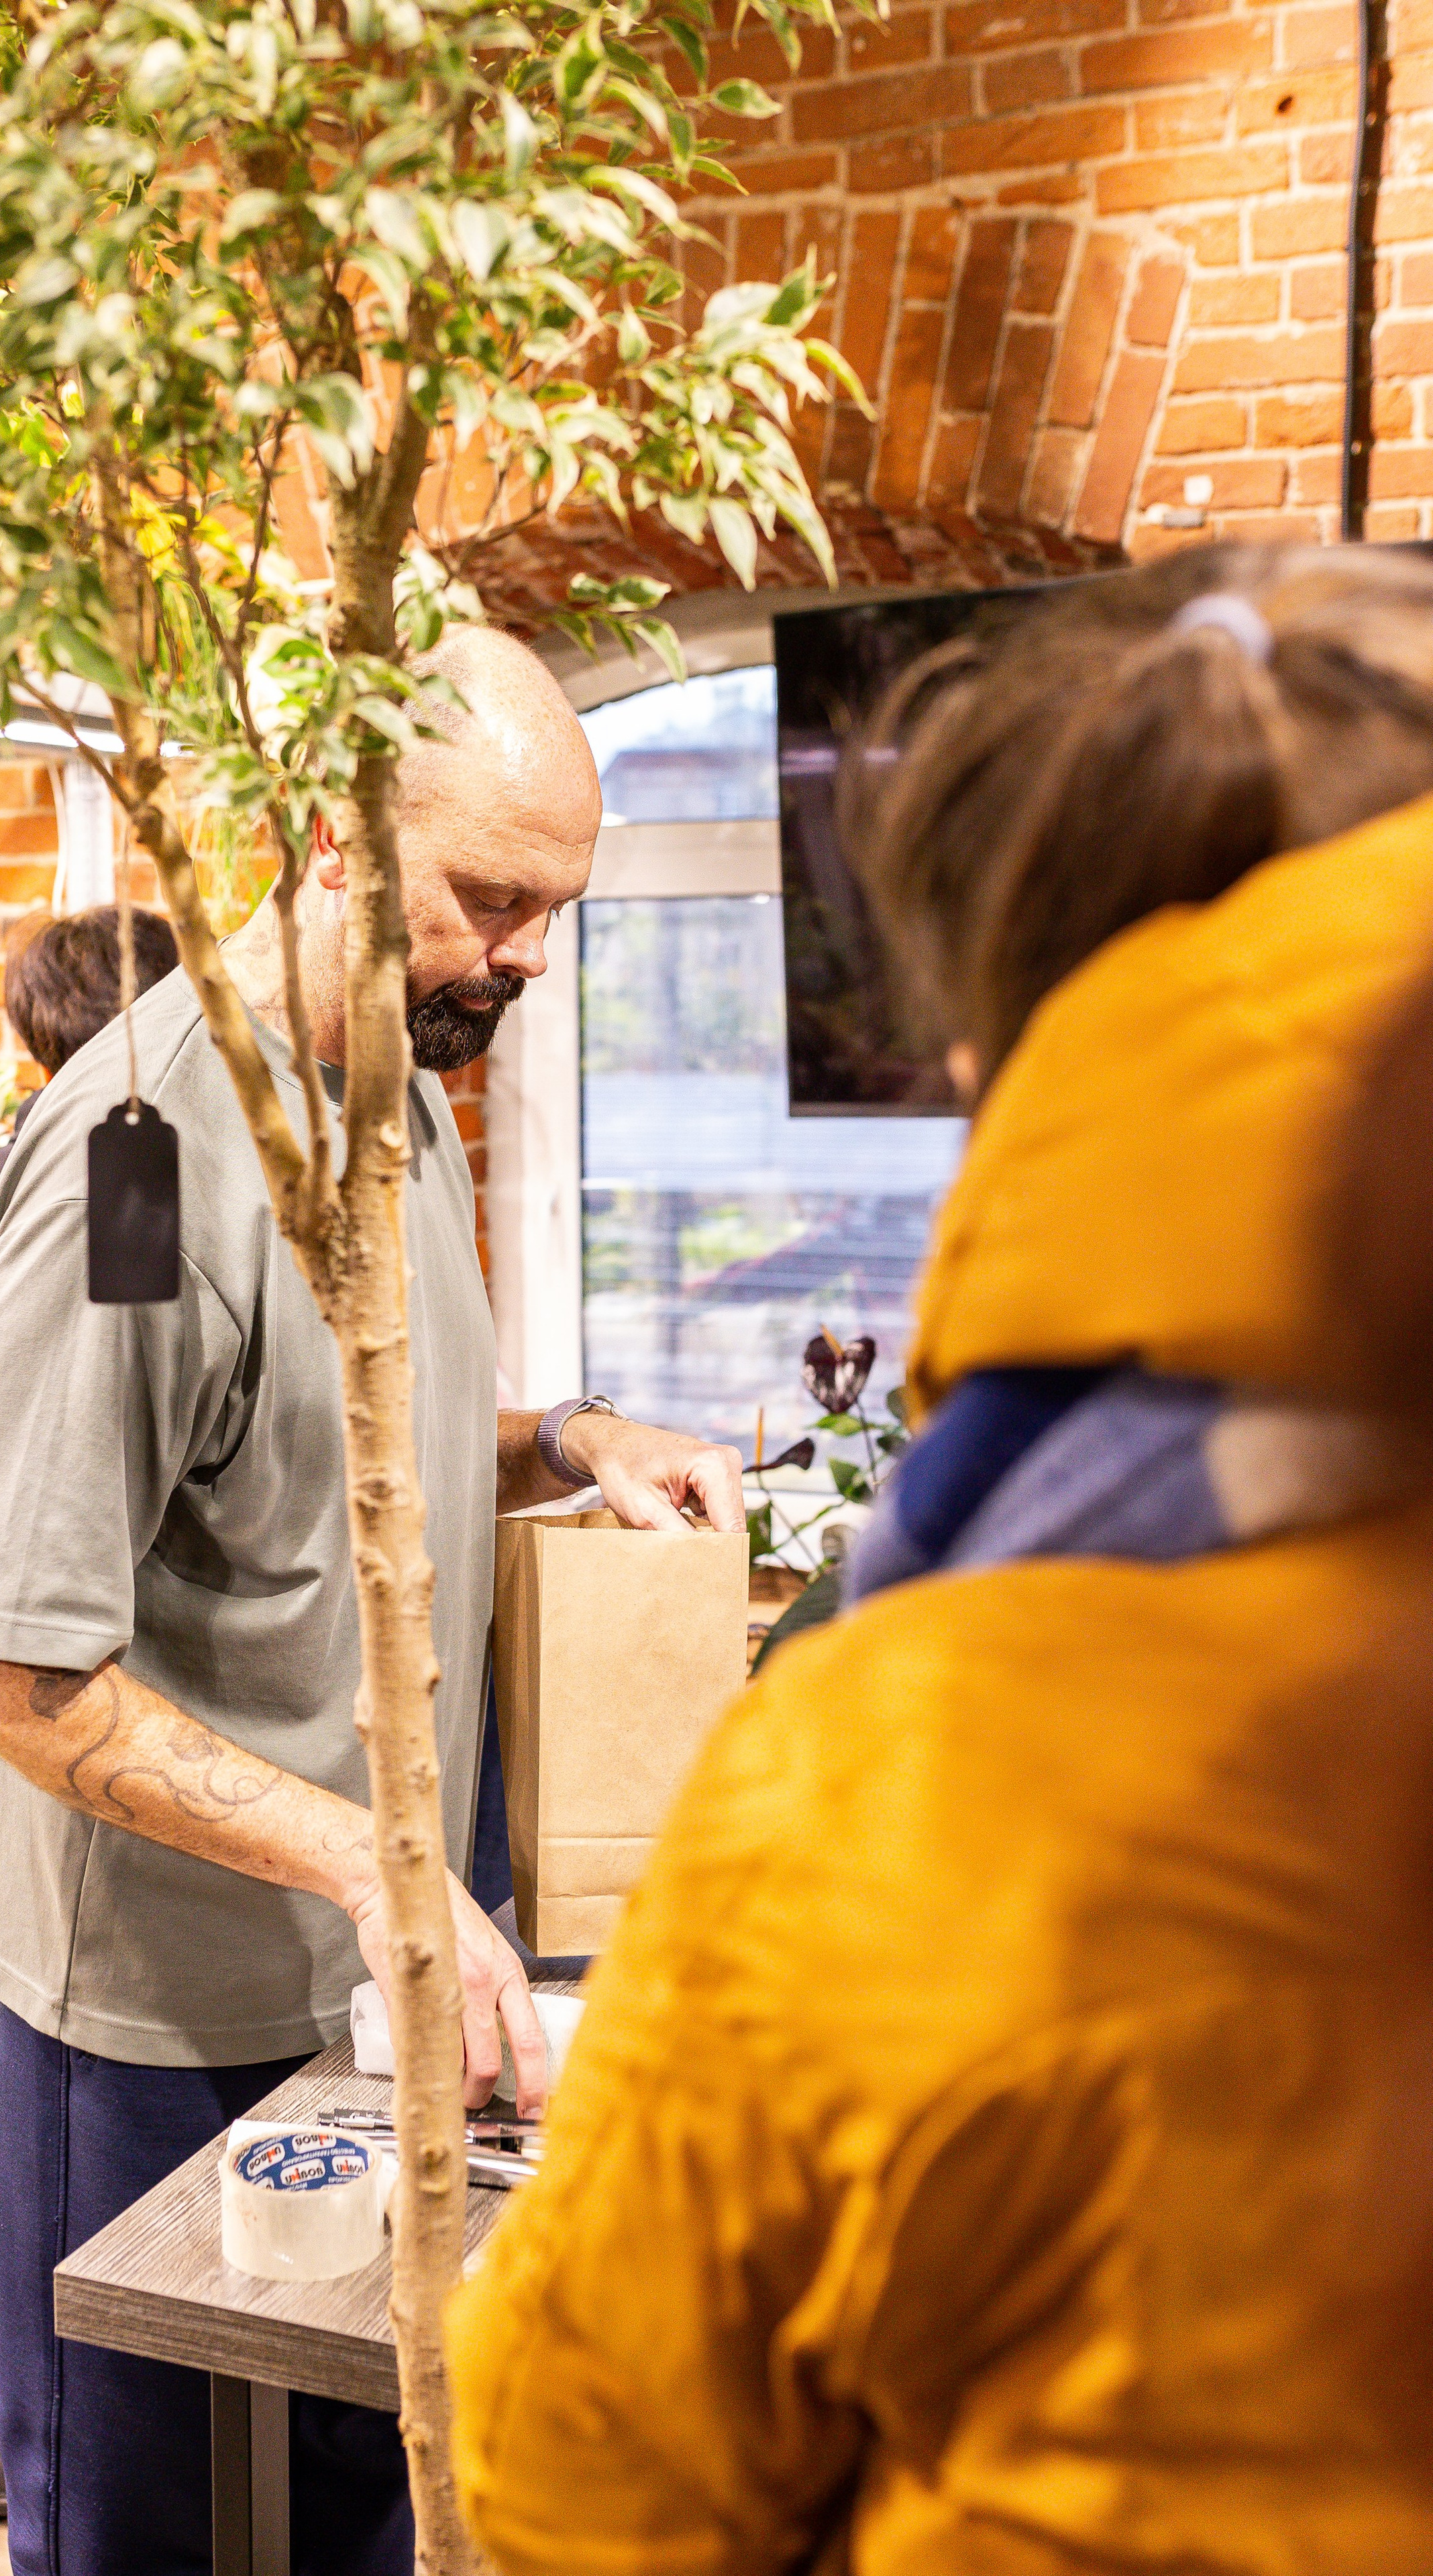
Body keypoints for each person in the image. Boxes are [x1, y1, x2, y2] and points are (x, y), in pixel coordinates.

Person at [447, 546, 1433, 2575]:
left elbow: (580, 2483)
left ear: (997, 1050)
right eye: (499, 902)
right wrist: (573, 1430)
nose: (526, 961)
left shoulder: (900, 1767)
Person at [0, 625, 746, 2576]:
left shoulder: (399, 1079)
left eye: (555, 912)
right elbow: (2, 1667)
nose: (526, 956)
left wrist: (573, 1438)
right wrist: (377, 1868)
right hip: (162, 2025)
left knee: (366, 2503)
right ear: (326, 839)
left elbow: (336, 1456)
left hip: (368, 1987)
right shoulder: (138, 1167)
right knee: (157, 2539)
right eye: (492, 898)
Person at [0, 901, 181, 2526]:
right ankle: (72, 2404)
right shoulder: (157, 1169)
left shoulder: (25, 1176)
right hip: (114, 1680)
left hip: (35, 1681)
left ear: (30, 1041)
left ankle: (37, 2407)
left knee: (29, 2039)